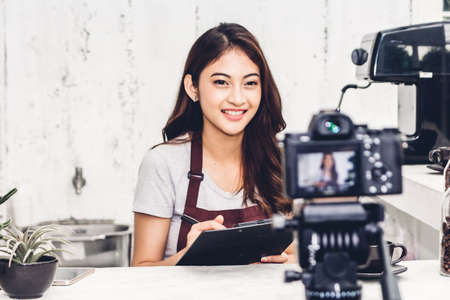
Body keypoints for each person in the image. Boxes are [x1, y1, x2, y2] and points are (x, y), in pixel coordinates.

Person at [132, 23, 294, 266]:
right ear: (193, 87)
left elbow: (296, 256)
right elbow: (140, 271)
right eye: (221, 82)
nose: (237, 98)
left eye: (250, 83)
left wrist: (282, 262)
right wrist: (189, 256)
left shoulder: (277, 161)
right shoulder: (163, 163)